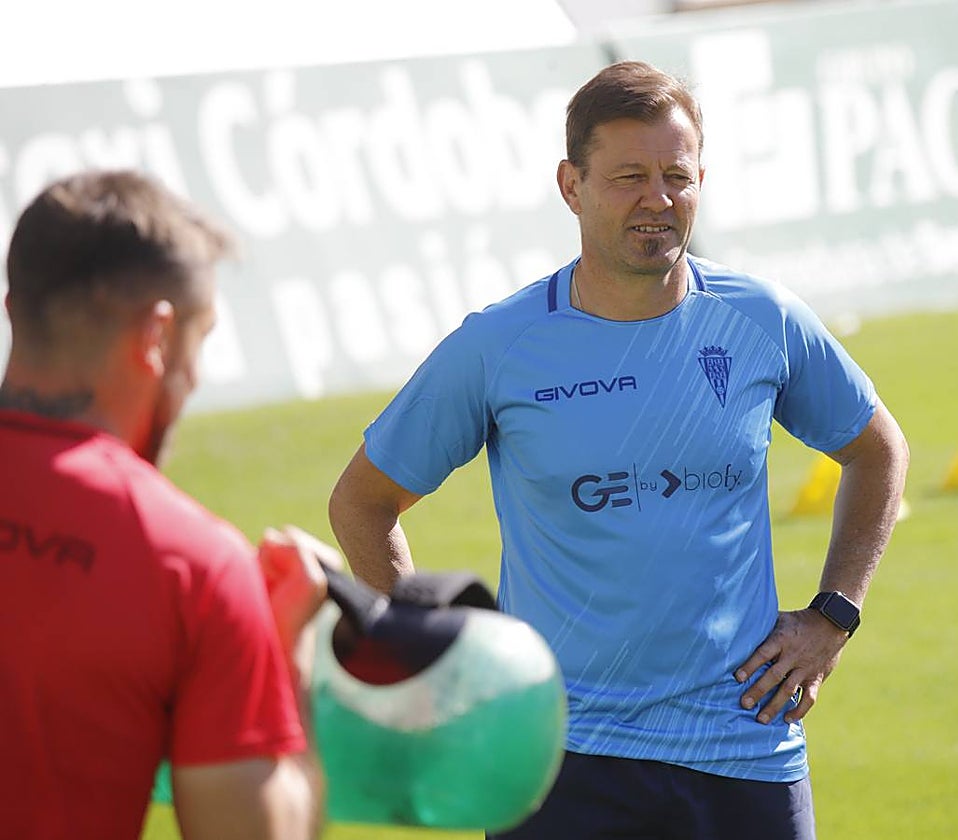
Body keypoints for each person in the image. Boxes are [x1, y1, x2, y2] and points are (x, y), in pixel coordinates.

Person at [328, 60, 909, 839]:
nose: (658, 199)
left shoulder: (762, 320)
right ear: (571, 186)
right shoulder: (499, 347)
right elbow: (363, 503)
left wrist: (834, 615)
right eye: (629, 176)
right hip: (556, 754)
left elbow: (879, 451)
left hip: (742, 744)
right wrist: (426, 664)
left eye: (677, 175)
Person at [0, 170, 335, 840]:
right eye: (201, 339)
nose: (196, 376)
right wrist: (282, 652)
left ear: (14, 308)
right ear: (156, 337)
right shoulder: (192, 564)